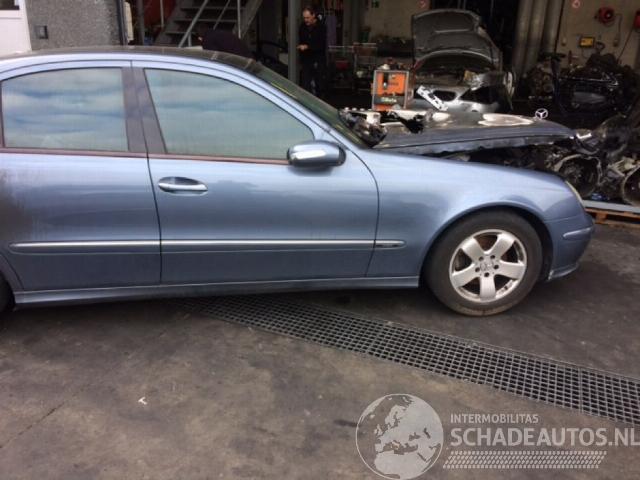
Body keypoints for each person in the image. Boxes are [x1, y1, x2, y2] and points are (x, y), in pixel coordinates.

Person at [298, 5, 327, 97]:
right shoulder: (302, 27)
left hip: (318, 59)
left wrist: (308, 46)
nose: (306, 20)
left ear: (313, 15)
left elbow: (321, 44)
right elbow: (301, 40)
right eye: (304, 18)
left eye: (307, 17)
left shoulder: (321, 27)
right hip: (306, 60)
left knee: (320, 85)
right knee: (305, 84)